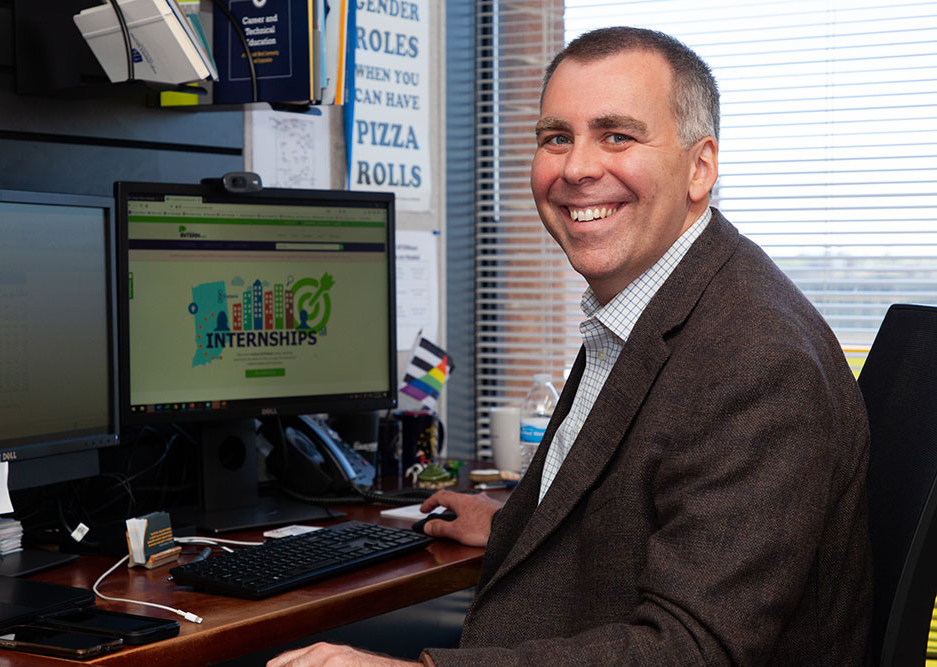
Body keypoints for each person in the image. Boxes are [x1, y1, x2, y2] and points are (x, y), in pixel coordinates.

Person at [267, 26, 872, 666]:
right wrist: (512, 525)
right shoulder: (648, 303)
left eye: (617, 135)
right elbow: (645, 512)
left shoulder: (755, 358)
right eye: (557, 137)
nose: (577, 168)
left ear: (700, 168)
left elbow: (691, 650)